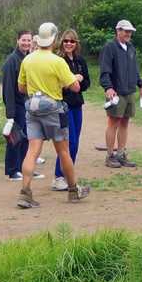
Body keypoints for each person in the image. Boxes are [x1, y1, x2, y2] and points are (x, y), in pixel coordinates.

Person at [16, 22, 89, 208]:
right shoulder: (58, 61)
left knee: (32, 151)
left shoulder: (28, 60)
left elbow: (21, 87)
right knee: (63, 151)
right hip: (54, 109)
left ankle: (25, 192)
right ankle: (73, 190)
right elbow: (75, 87)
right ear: (55, 39)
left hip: (32, 108)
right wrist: (69, 80)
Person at [99, 20, 142, 168]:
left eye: (130, 31)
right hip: (116, 92)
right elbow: (105, 70)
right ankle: (109, 155)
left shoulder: (131, 48)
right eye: (125, 31)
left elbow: (135, 69)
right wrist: (108, 87)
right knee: (113, 123)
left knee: (125, 122)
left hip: (130, 91)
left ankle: (121, 153)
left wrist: (141, 85)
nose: (128, 34)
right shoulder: (110, 47)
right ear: (118, 31)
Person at [1, 30, 44, 181]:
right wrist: (10, 114)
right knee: (15, 138)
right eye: (23, 40)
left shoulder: (29, 58)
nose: (26, 43)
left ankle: (26, 168)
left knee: (28, 138)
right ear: (17, 40)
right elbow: (7, 89)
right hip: (17, 106)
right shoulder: (11, 61)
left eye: (28, 40)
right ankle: (13, 171)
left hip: (29, 105)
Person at [52, 29, 90, 191]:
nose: (69, 44)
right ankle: (58, 176)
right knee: (68, 143)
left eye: (72, 41)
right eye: (66, 41)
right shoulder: (58, 60)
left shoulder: (80, 61)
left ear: (76, 44)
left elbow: (87, 83)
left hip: (77, 105)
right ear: (62, 42)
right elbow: (56, 84)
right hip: (63, 105)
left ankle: (68, 175)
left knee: (75, 143)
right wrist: (72, 81)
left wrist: (79, 82)